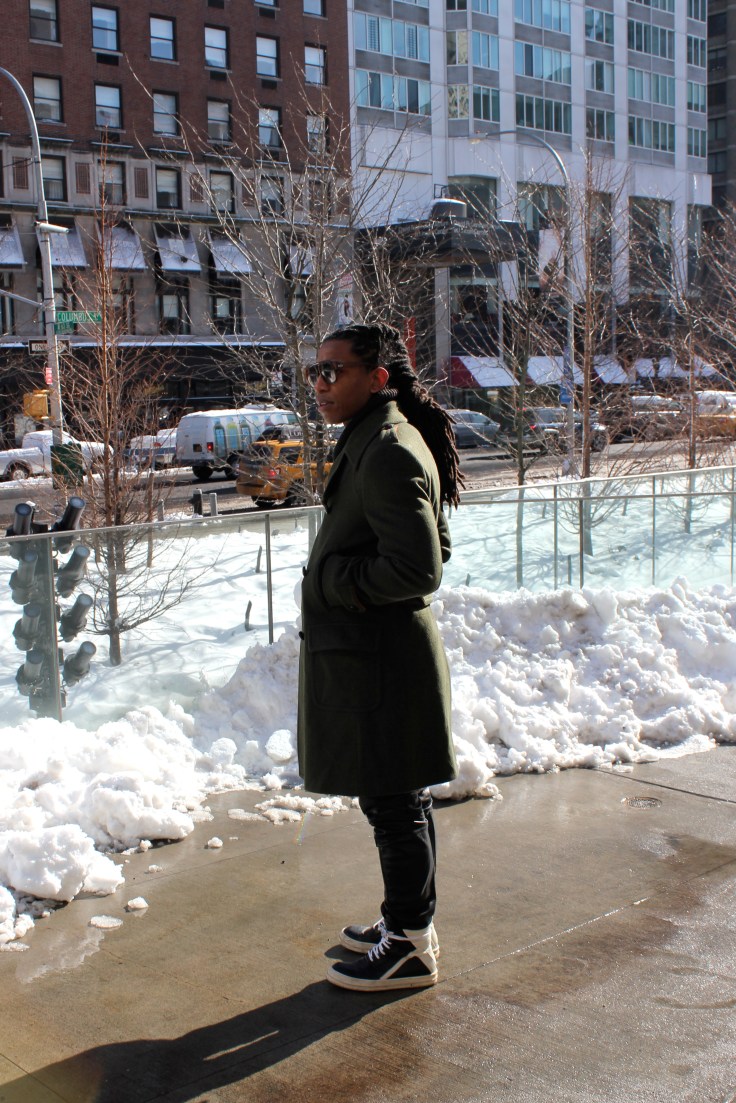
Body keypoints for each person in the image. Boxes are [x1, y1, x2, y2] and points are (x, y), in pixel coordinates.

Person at [297, 322, 462, 992]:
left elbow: (420, 566)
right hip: (377, 657)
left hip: (384, 664)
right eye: (317, 370)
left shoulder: (388, 448)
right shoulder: (372, 438)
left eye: (335, 371)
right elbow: (437, 542)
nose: (321, 382)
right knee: (394, 798)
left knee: (393, 802)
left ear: (378, 377)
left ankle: (411, 943)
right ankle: (406, 921)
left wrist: (335, 582)